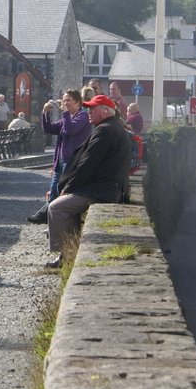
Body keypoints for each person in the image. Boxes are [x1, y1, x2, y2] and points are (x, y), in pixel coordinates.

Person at [44, 94, 131, 268]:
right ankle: (69, 252)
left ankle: (67, 255)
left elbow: (87, 163)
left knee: (57, 207)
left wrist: (68, 188)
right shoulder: (112, 127)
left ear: (106, 111)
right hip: (107, 187)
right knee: (64, 207)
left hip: (101, 189)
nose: (89, 112)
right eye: (88, 108)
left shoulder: (105, 130)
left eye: (93, 109)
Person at [27, 89, 91, 224]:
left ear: (78, 102)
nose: (65, 103)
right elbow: (49, 129)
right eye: (64, 100)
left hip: (72, 161)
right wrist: (45, 113)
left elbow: (71, 129)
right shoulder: (66, 117)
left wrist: (66, 113)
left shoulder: (82, 116)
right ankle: (48, 216)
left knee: (63, 191)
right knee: (54, 188)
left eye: (68, 100)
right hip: (60, 160)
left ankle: (52, 217)